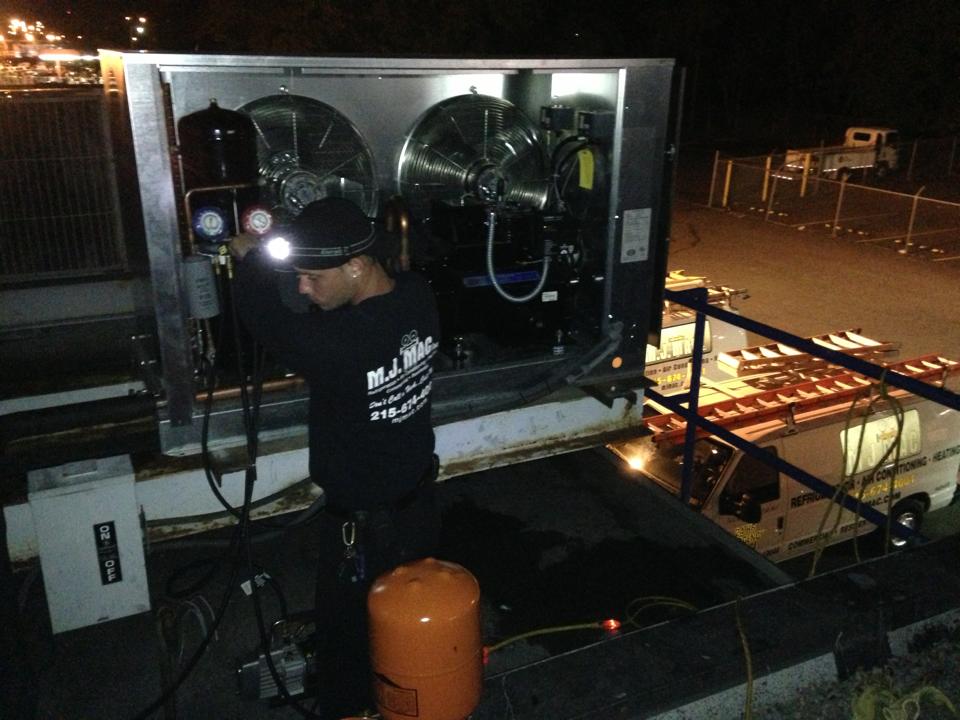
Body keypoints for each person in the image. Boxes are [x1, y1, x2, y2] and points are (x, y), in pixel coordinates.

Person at [230, 197, 441, 717]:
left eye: (310, 277)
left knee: (346, 643)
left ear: (355, 266)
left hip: (363, 527)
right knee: (410, 622)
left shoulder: (338, 344)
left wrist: (251, 258)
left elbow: (263, 315)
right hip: (418, 503)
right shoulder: (418, 297)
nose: (302, 288)